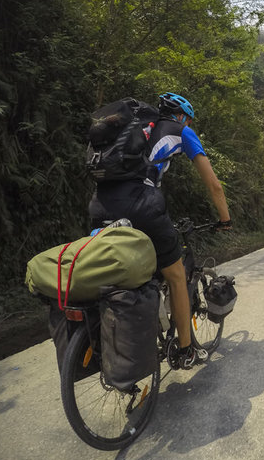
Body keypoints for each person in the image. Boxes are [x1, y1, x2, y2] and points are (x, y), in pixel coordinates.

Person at [89, 92, 232, 369]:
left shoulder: (136, 133)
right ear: (181, 116)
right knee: (177, 275)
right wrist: (225, 219)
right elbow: (214, 184)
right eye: (187, 119)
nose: (188, 124)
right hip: (142, 204)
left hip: (99, 205)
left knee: (122, 271)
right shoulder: (182, 131)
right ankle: (186, 350)